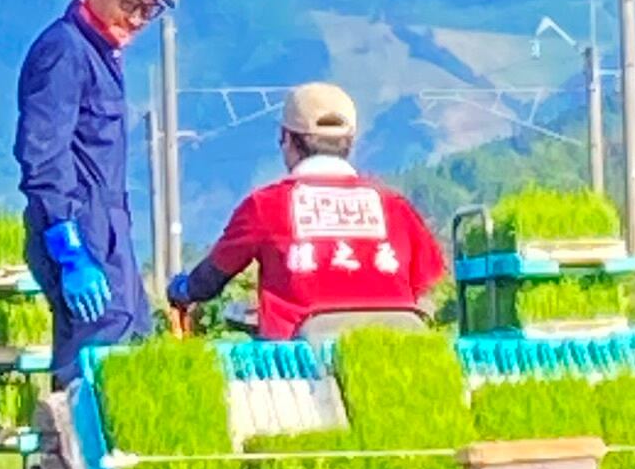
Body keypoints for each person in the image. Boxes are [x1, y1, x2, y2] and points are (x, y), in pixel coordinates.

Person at [165, 80, 449, 341]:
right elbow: (427, 279)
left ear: (287, 139)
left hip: (300, 365)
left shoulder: (265, 205)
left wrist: (181, 290)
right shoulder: (395, 206)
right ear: (349, 142)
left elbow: (208, 281)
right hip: (396, 350)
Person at [14, 0, 172, 384]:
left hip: (109, 231)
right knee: (90, 368)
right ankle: (67, 455)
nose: (139, 18)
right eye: (131, 3)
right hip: (79, 231)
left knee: (132, 343)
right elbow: (42, 154)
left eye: (150, 9)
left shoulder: (102, 54)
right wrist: (68, 249)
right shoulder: (64, 50)